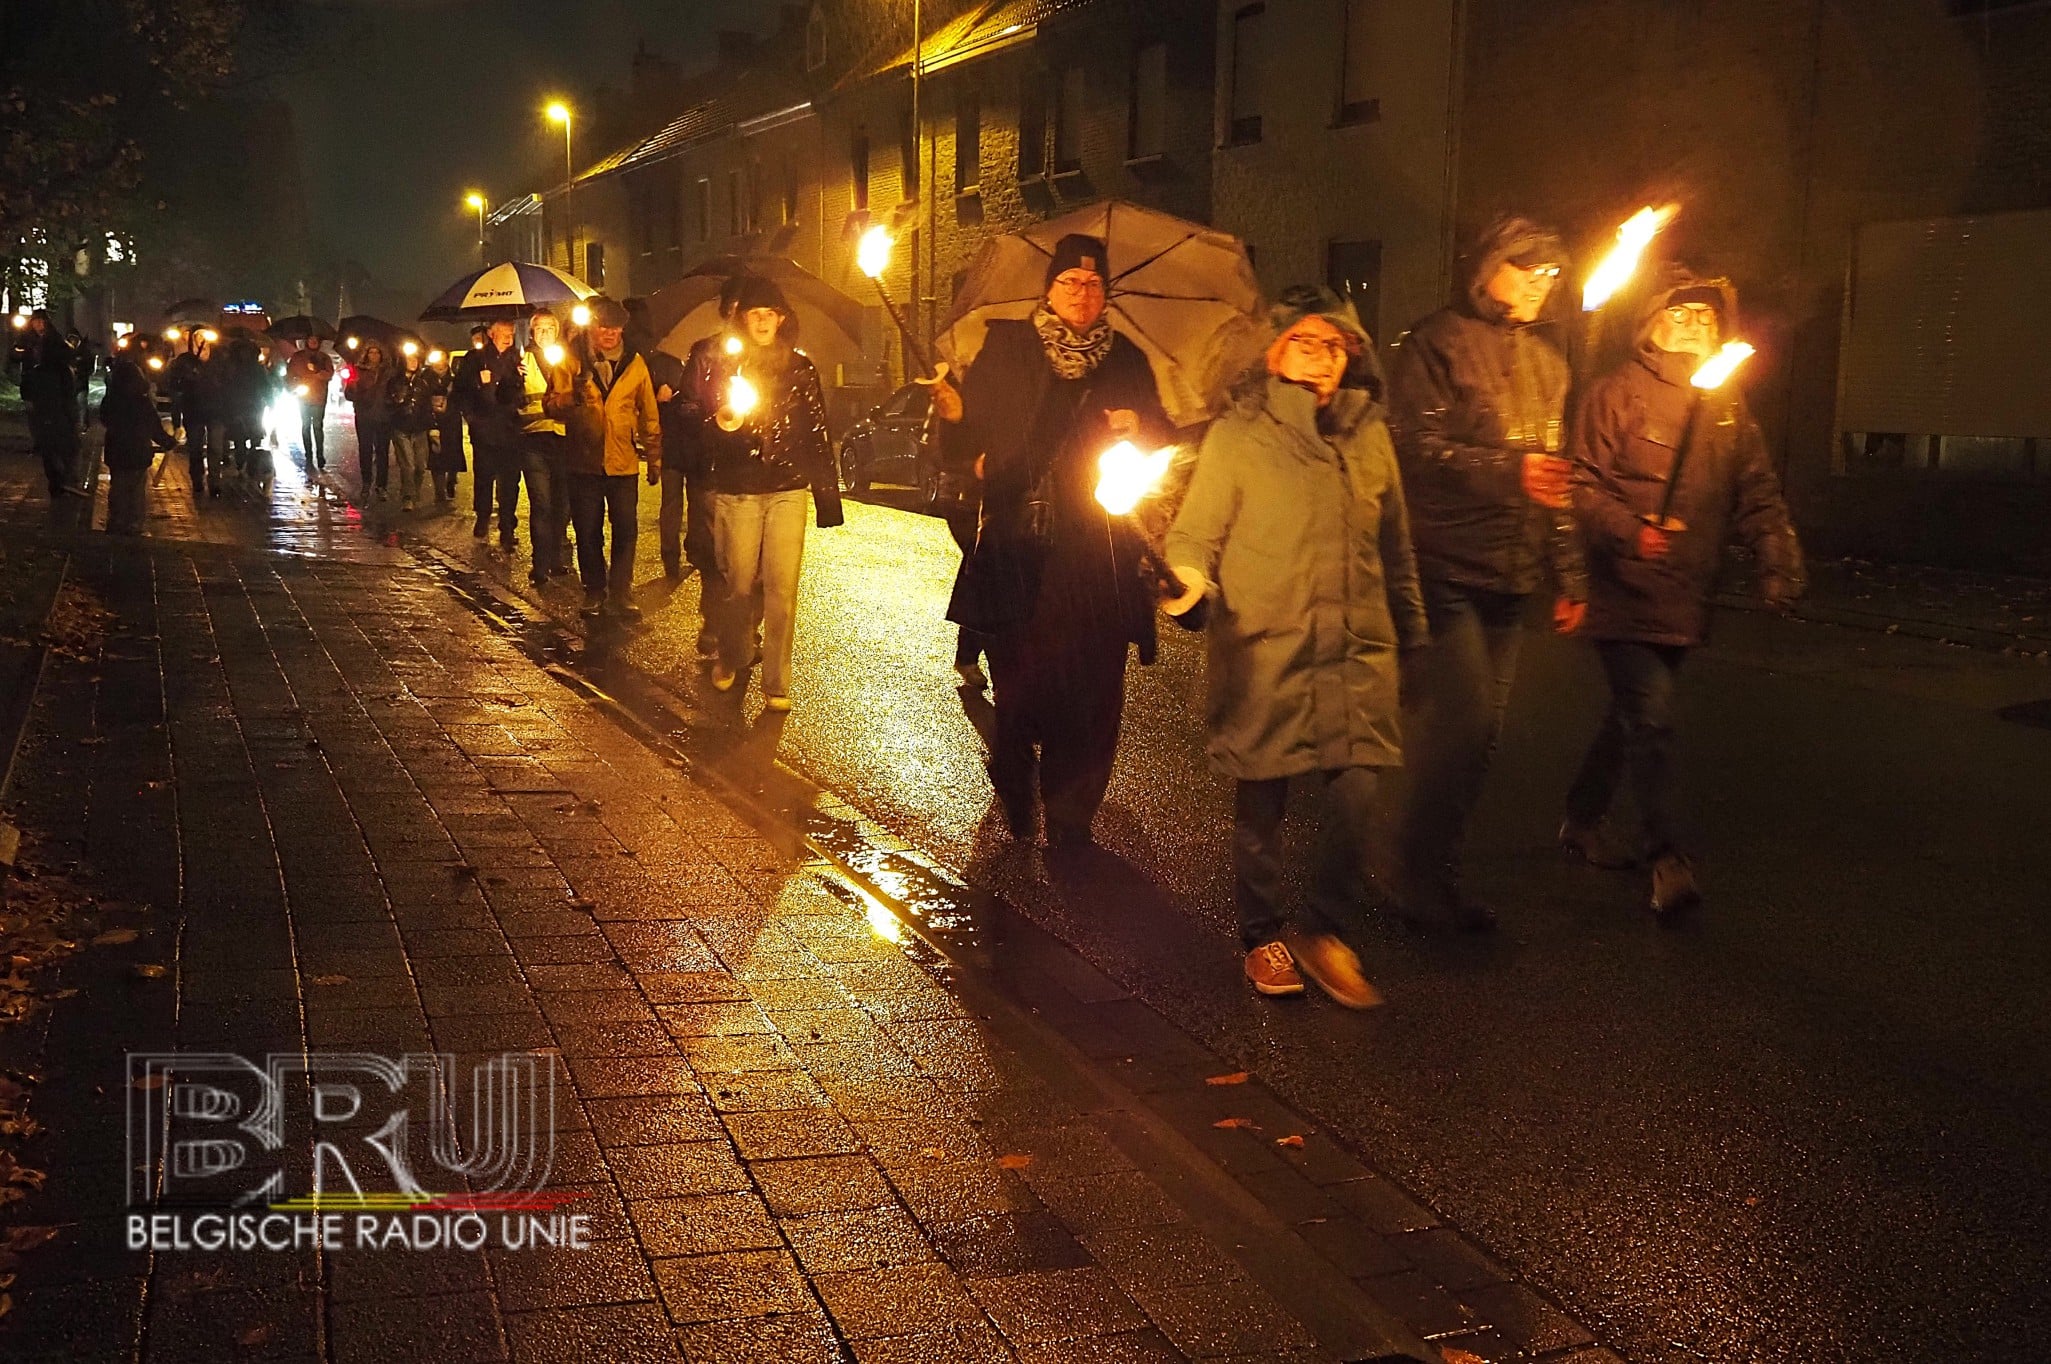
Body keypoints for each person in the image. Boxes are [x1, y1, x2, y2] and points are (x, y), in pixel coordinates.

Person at [1162, 286, 1427, 1007]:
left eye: (1334, 345)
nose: (1320, 358)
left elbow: (1394, 546)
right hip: (1266, 651)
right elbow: (1193, 536)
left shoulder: (1369, 432)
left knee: (1357, 796)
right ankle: (1262, 933)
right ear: (1276, 352)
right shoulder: (1239, 434)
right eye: (1305, 343)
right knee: (1262, 808)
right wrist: (1187, 581)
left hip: (1355, 650)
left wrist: (1413, 634)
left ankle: (1325, 929)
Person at [1562, 270, 1805, 919]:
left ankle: (1581, 817)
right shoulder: (1614, 393)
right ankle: (1668, 858)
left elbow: (1756, 491)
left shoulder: (1724, 406)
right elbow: (1579, 484)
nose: (1694, 325)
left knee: (1629, 717)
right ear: (1649, 324)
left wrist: (1776, 557)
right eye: (1679, 314)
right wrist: (1630, 531)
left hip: (1685, 593)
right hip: (1622, 590)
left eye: (1704, 316)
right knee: (1651, 719)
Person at [931, 234, 1171, 846]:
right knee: (1021, 680)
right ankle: (1014, 767)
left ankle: (1071, 811)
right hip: (1021, 544)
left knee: (1094, 688)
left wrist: (1139, 425)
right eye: (1070, 282)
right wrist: (956, 420)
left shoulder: (1127, 361)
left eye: (1094, 285)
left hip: (1101, 554)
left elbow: (1163, 442)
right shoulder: (1009, 348)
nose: (1083, 295)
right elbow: (967, 441)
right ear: (1049, 288)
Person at [1386, 215, 1588, 933]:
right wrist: (1507, 471)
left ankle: (1432, 870)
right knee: (1462, 723)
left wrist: (1568, 574)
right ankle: (1412, 876)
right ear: (1487, 270)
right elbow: (1413, 446)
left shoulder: (1549, 363)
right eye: (1525, 267)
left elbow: (1555, 476)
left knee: (1480, 734)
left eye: (1549, 272)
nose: (1541, 282)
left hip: (1510, 574)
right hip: (1441, 565)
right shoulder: (1434, 343)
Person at [695, 277, 842, 708]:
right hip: (739, 488)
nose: (762, 320)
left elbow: (817, 431)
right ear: (743, 319)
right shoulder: (723, 366)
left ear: (781, 320)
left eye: (769, 313)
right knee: (738, 584)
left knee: (782, 588)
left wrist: (826, 496)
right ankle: (732, 654)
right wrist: (725, 423)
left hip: (786, 488)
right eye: (754, 313)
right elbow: (699, 424)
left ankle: (777, 684)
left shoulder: (800, 369)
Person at [544, 297, 661, 619]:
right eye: (603, 326)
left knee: (625, 528)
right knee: (587, 529)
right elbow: (550, 405)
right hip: (584, 461)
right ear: (592, 328)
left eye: (615, 327)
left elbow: (648, 411)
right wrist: (572, 397)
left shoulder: (635, 363)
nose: (609, 333)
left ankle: (621, 591)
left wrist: (654, 456)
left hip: (622, 462)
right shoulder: (571, 362)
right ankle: (594, 590)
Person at [459, 319, 525, 546]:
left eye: (511, 332)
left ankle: (507, 524)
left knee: (510, 480)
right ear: (491, 334)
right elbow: (461, 390)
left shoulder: (518, 358)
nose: (508, 337)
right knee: (484, 475)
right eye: (503, 332)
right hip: (485, 428)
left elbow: (521, 392)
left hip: (510, 429)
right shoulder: (475, 359)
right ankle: (483, 515)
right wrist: (478, 385)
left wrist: (520, 381)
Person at [518, 311, 570, 585]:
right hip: (534, 438)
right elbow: (510, 398)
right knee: (542, 503)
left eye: (550, 328)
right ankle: (540, 565)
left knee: (563, 503)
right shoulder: (522, 361)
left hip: (563, 439)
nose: (545, 333)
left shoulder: (568, 360)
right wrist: (514, 380)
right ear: (532, 333)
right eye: (539, 329)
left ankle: (557, 556)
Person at [99, 351, 176, 533]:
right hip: (138, 452)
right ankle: (133, 522)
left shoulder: (111, 401)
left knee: (118, 487)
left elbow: (104, 420)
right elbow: (154, 428)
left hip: (117, 451)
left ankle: (117, 519)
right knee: (136, 490)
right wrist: (168, 442)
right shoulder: (142, 403)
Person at [18, 312, 82, 497]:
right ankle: (58, 481)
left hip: (56, 400)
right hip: (42, 399)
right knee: (48, 442)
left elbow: (66, 378)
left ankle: (64, 480)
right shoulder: (30, 344)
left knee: (62, 441)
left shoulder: (55, 348)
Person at [385, 345, 439, 510]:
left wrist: (433, 428)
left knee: (421, 466)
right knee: (408, 465)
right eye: (409, 359)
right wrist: (401, 399)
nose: (413, 362)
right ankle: (407, 497)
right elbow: (389, 403)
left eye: (415, 359)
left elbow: (428, 407)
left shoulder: (422, 383)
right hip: (401, 428)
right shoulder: (395, 382)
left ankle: (415, 493)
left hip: (420, 428)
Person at [345, 341, 393, 499]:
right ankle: (366, 482)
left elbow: (394, 391)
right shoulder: (359, 371)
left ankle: (381, 485)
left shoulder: (388, 372)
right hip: (365, 415)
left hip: (383, 416)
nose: (374, 356)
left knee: (382, 452)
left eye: (377, 352)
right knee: (365, 450)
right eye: (371, 352)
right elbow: (349, 395)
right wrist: (352, 386)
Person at [284, 337, 336, 471]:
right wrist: (293, 385)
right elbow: (290, 375)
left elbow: (329, 374)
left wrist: (317, 372)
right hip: (303, 397)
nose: (313, 343)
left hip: (319, 397)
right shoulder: (298, 357)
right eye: (311, 340)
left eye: (315, 340)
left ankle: (320, 455)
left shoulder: (324, 358)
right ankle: (308, 454)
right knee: (306, 425)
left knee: (317, 426)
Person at [427, 347, 465, 503]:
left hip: (452, 420)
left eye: (442, 358)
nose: (439, 362)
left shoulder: (456, 378)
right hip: (434, 420)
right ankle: (439, 491)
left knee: (453, 452)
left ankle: (452, 478)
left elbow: (463, 397)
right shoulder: (426, 378)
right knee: (436, 455)